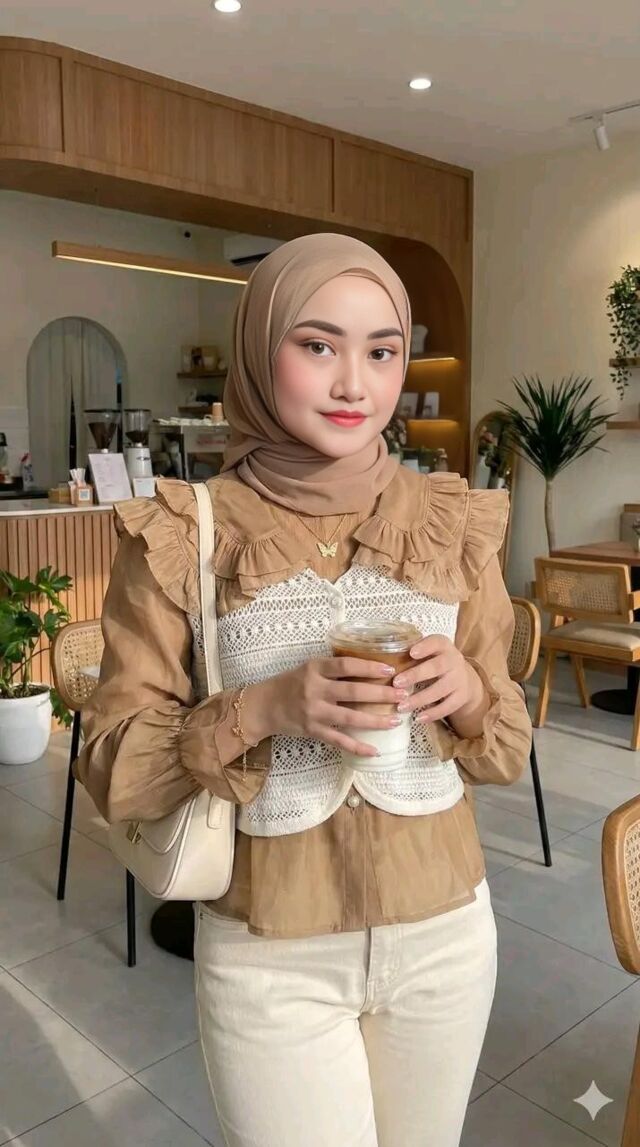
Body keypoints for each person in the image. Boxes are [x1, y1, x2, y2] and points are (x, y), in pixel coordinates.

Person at [77, 233, 532, 1147]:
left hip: (445, 934)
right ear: (259, 348)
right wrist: (265, 708)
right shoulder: (185, 532)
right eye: (318, 344)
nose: (354, 384)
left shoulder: (451, 521)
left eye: (382, 351)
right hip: (271, 956)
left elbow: (508, 745)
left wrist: (469, 693)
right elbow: (111, 764)